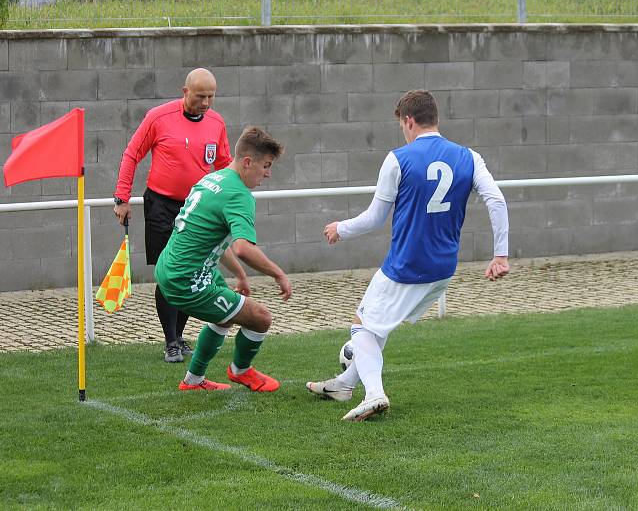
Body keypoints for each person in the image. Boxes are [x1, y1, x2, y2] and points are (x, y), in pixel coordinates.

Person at [306, 90, 510, 421]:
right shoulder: (469, 156)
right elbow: (496, 201)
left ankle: (374, 394)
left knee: (362, 328)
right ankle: (343, 385)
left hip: (406, 265)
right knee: (379, 325)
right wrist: (500, 255)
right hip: (443, 269)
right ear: (437, 119)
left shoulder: (398, 158)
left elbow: (374, 218)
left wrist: (339, 228)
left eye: (402, 124)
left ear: (408, 121)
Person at [154, 126, 292, 392]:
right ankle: (241, 371)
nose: (268, 173)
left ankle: (193, 381)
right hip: (187, 279)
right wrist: (278, 273)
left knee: (226, 314)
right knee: (261, 318)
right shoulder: (239, 195)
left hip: (170, 266)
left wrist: (240, 275)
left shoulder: (212, 179)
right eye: (266, 165)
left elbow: (215, 241)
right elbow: (242, 247)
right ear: (248, 162)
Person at [113, 68, 232, 364]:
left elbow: (225, 164)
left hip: (197, 207)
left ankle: (179, 337)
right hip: (161, 207)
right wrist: (122, 197)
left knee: (190, 271)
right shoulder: (158, 117)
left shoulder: (217, 122)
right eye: (200, 96)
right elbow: (132, 154)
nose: (206, 103)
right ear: (185, 91)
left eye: (211, 97)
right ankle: (170, 342)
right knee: (169, 273)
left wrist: (230, 201)